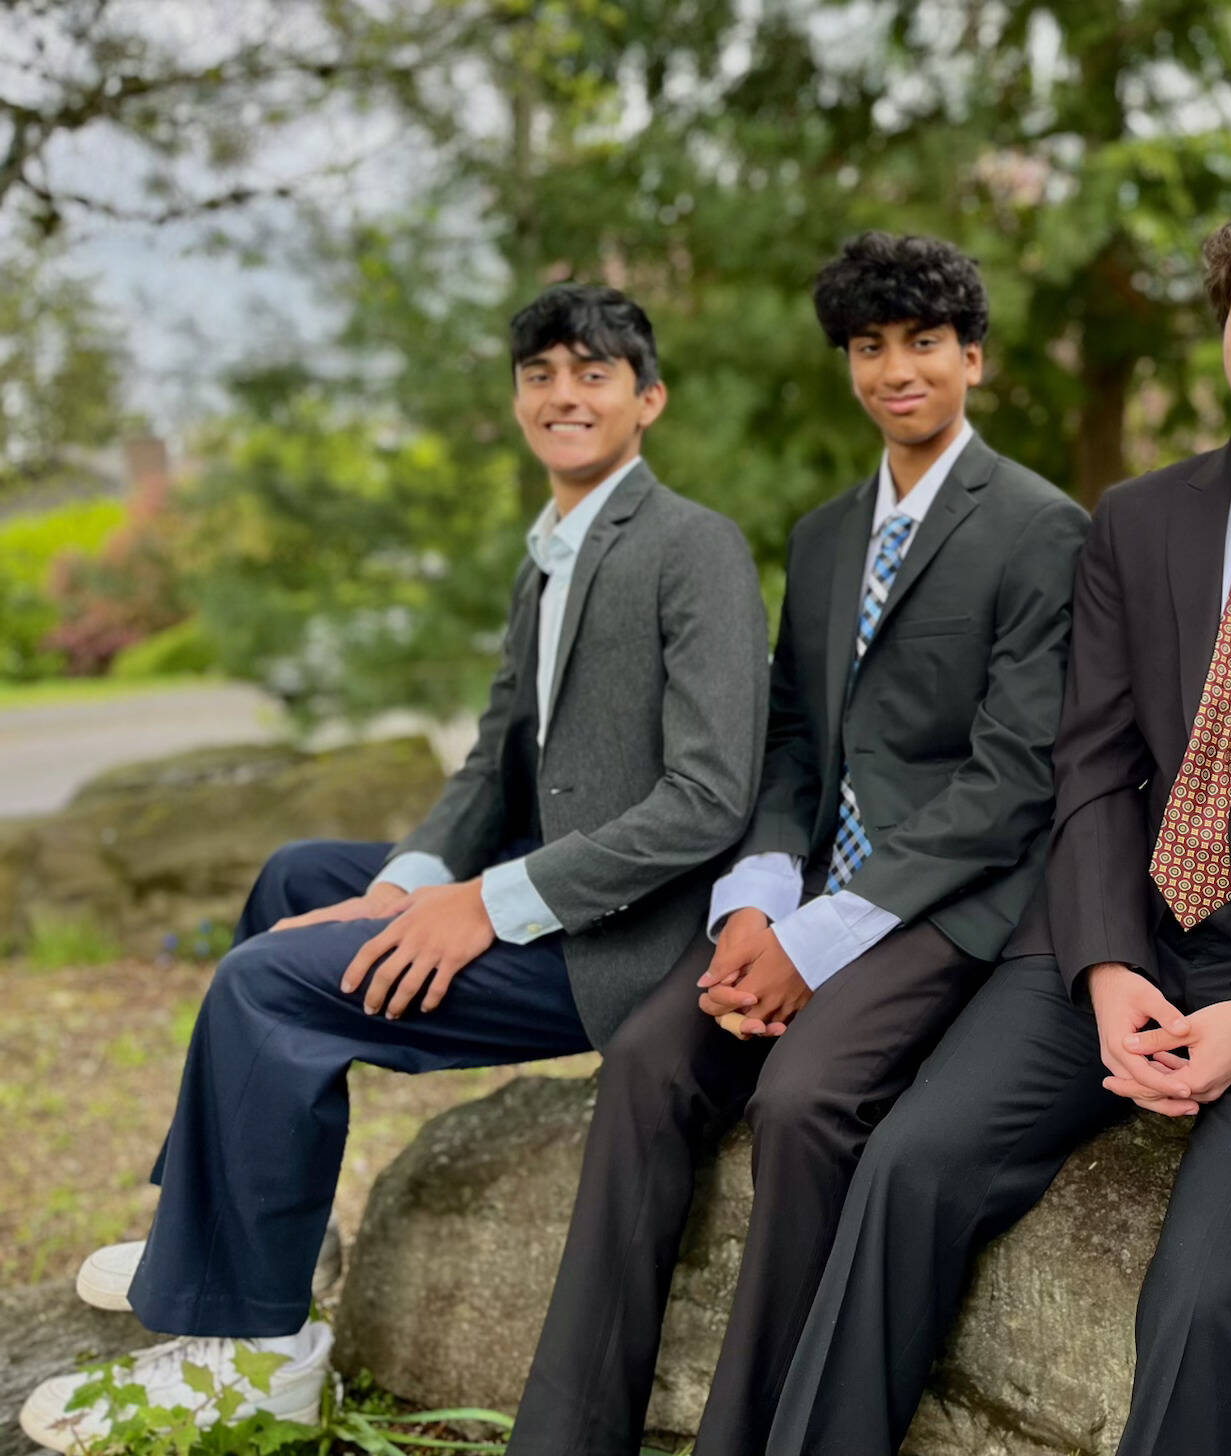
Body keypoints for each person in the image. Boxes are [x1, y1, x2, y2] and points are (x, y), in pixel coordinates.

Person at [765, 204, 1231, 1456]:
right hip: (1118, 941)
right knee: (908, 1167)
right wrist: (1107, 968)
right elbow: (1093, 764)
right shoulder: (1135, 518)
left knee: (1204, 1290)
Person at [19, 283, 771, 1449]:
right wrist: (414, 877)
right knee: (296, 878)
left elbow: (710, 799)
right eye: (540, 375)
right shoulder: (548, 558)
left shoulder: (692, 546)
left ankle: (264, 1364)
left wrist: (484, 905)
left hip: (626, 943)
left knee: (268, 984)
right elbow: (487, 764)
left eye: (593, 373)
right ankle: (236, 1245)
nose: (562, 394)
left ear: (648, 399)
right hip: (546, 886)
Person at [504, 232, 1088, 1456]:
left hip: (949, 903)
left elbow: (1008, 781)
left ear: (971, 357)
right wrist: (757, 907)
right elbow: (784, 745)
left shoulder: (1041, 529)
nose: (896, 370)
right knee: (652, 1060)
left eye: (923, 343)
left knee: (805, 1096)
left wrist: (818, 944)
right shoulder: (824, 536)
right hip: (807, 888)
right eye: (869, 349)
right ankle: (566, 1435)